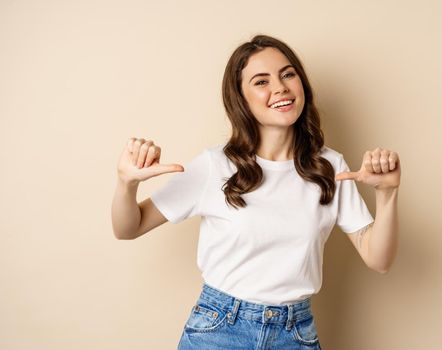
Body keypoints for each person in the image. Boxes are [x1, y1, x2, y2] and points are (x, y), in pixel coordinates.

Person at [111, 34, 400, 350]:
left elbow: (379, 259)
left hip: (296, 333)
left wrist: (387, 195)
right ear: (241, 99)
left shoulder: (330, 166)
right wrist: (127, 183)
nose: (280, 88)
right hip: (219, 329)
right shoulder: (215, 165)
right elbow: (129, 228)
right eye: (261, 82)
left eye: (288, 74)